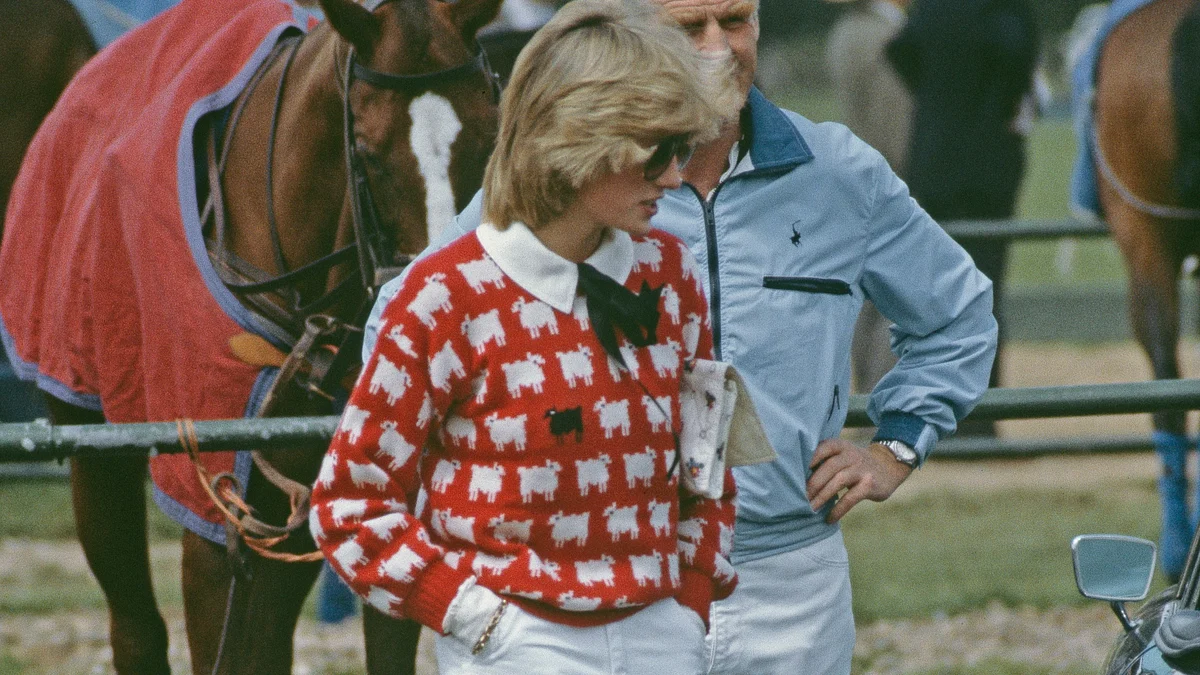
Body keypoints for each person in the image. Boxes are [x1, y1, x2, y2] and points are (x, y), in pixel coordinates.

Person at [364, 0, 998, 671]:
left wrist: (896, 445)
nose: (720, 47)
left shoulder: (839, 172)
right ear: (635, 36)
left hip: (790, 590)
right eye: (690, 27)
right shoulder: (573, 180)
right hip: (603, 587)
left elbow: (958, 315)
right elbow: (400, 325)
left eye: (737, 19)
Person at [313, 0, 741, 672]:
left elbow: (707, 462)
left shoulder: (670, 273)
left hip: (660, 634)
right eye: (656, 151)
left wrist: (689, 604)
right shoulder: (446, 296)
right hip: (513, 640)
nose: (674, 175)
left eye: (681, 149)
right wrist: (474, 620)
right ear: (579, 143)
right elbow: (349, 500)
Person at [886, 0, 1039, 436]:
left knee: (934, 294)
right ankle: (979, 418)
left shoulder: (933, 8)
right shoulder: (1006, 11)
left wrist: (936, 100)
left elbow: (899, 50)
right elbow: (1019, 57)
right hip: (990, 165)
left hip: (933, 161)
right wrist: (999, 103)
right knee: (985, 290)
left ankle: (932, 414)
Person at [824, 0, 913, 402]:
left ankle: (868, 399)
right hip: (888, 180)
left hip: (860, 181)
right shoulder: (882, 37)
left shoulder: (852, 30)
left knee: (866, 298)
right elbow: (894, 129)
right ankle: (880, 405)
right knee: (890, 302)